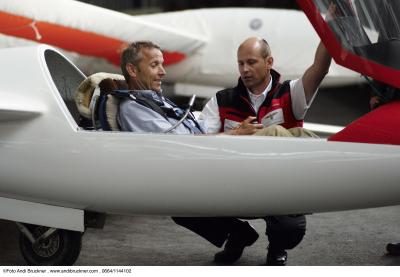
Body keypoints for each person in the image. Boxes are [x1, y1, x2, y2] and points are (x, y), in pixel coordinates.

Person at [173, 37, 332, 266]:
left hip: (279, 188)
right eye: (240, 63)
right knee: (180, 204)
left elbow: (319, 68)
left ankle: (277, 245)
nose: (245, 69)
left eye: (251, 62)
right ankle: (236, 234)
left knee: (291, 226)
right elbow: (198, 144)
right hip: (235, 184)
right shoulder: (221, 100)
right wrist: (236, 135)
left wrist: (330, 26)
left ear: (269, 62)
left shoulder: (292, 92)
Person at [117, 41, 203, 134]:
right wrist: (216, 137)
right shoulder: (132, 109)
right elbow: (175, 142)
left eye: (162, 64)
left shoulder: (157, 101)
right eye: (154, 65)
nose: (163, 72)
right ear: (132, 70)